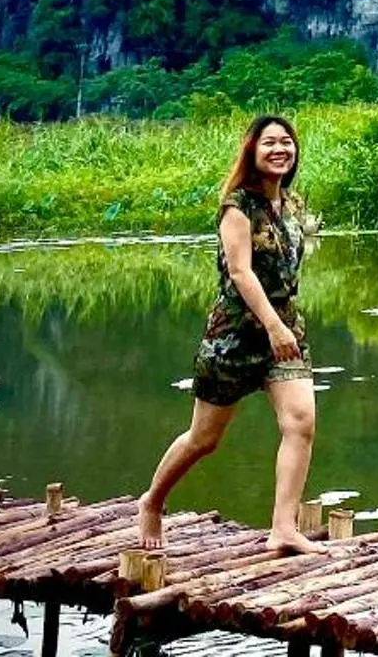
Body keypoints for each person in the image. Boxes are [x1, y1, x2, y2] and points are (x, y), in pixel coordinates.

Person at [137, 113, 326, 552]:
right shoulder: (236, 207)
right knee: (204, 439)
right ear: (252, 152)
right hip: (236, 334)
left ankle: (283, 527)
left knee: (301, 422)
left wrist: (284, 324)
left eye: (286, 142)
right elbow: (240, 273)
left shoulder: (293, 206)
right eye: (269, 143)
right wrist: (274, 325)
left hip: (285, 329)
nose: (279, 150)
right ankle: (152, 502)